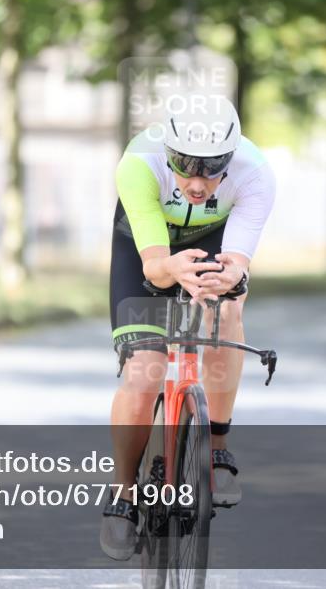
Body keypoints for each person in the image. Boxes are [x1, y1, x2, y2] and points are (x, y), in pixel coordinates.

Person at [101, 95, 276, 560]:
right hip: (149, 247)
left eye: (212, 168)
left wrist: (229, 277)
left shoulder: (255, 173)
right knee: (144, 372)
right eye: (184, 166)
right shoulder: (138, 163)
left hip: (212, 241)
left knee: (228, 311)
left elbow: (237, 261)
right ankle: (123, 494)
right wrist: (171, 270)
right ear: (167, 151)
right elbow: (156, 268)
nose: (197, 183)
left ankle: (217, 445)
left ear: (231, 158)